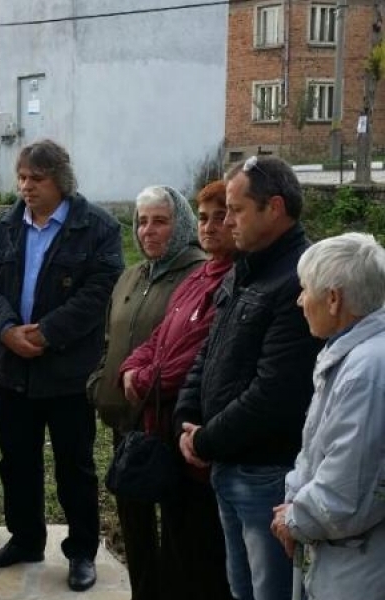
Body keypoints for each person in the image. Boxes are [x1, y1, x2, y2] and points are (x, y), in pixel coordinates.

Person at [0, 139, 123, 592]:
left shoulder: (97, 227)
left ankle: (81, 553)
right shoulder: (4, 225)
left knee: (74, 466)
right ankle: (25, 539)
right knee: (16, 463)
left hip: (68, 373)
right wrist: (6, 331)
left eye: (36, 179)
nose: (26, 187)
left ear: (61, 180)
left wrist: (47, 332)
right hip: (12, 370)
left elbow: (101, 290)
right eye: (21, 178)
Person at [173, 155, 323, 600]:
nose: (227, 220)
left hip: (267, 475)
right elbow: (211, 349)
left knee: (268, 592)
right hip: (229, 464)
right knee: (241, 590)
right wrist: (186, 413)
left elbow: (274, 391)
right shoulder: (247, 267)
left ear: (273, 208)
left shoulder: (299, 277)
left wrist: (204, 441)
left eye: (236, 210)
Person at [117, 180, 235, 600]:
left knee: (198, 552)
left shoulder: (224, 280)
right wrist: (131, 367)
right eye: (204, 217)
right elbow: (159, 337)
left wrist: (143, 379)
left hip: (192, 432)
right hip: (155, 422)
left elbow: (192, 356)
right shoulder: (199, 277)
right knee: (174, 542)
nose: (210, 226)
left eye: (221, 216)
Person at [87, 184, 205, 600]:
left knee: (175, 528)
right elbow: (109, 338)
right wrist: (100, 380)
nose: (148, 231)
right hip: (126, 423)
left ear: (181, 225)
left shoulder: (197, 276)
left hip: (168, 424)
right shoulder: (131, 276)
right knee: (132, 517)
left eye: (160, 221)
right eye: (141, 222)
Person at [270, 232, 385, 600]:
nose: (300, 300)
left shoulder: (366, 371)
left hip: (358, 572)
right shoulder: (355, 354)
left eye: (305, 289)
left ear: (333, 299)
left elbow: (344, 493)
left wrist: (295, 519)